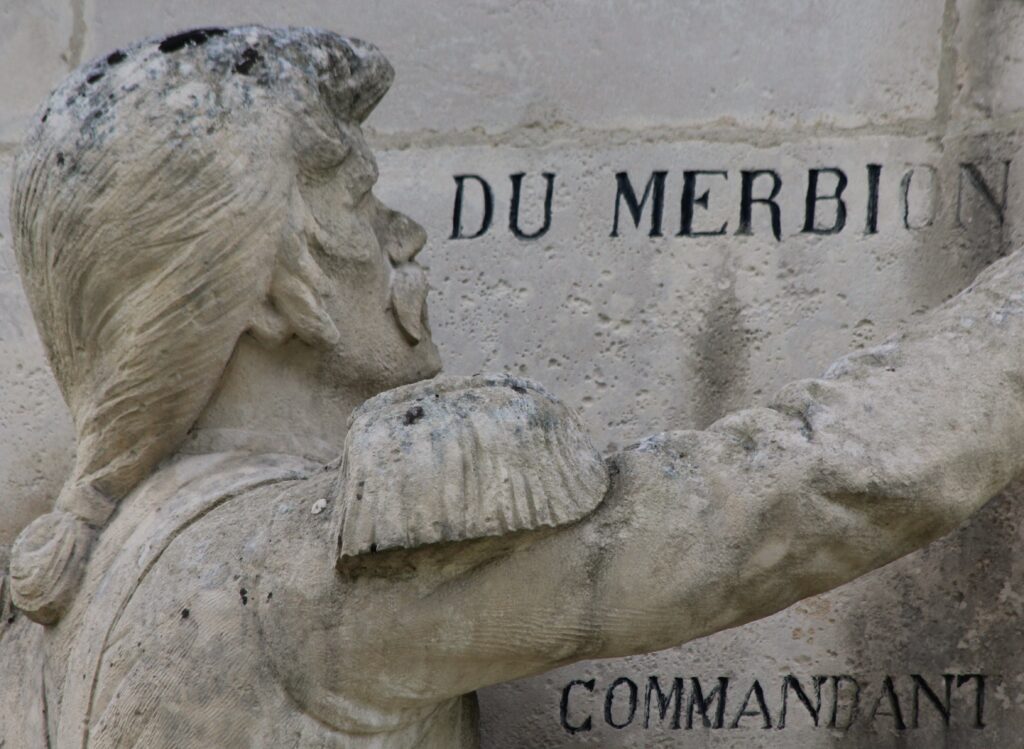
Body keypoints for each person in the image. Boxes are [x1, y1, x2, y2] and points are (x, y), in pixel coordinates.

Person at [2, 25, 1023, 749]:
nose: (408, 236)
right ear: (264, 291)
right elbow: (799, 495)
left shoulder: (46, 619)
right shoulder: (297, 573)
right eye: (362, 202)